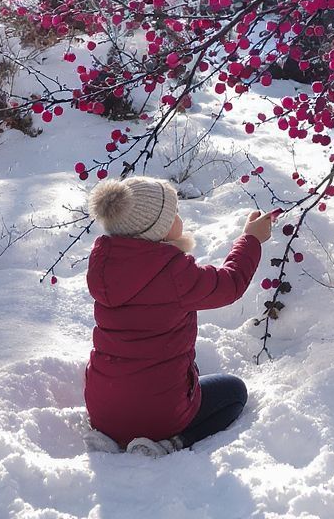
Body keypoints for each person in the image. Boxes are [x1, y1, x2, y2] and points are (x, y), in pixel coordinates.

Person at [83, 176, 274, 456]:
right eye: (173, 213)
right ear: (156, 229)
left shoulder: (104, 266)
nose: (179, 217)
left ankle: (112, 436)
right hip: (160, 414)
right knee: (234, 392)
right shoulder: (173, 272)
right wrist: (251, 239)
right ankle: (170, 443)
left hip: (103, 408)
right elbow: (229, 284)